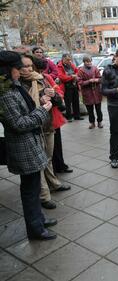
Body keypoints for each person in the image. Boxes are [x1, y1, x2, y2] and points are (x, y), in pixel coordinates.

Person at [0, 51, 57, 240]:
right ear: (8, 70)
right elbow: (18, 124)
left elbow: (26, 109)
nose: (21, 71)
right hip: (22, 147)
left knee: (32, 187)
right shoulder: (6, 93)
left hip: (30, 144)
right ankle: (35, 228)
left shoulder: (13, 86)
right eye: (18, 68)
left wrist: (40, 103)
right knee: (30, 190)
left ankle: (38, 219)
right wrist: (42, 111)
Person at [20, 55, 71, 209]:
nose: (29, 69)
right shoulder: (17, 85)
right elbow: (22, 109)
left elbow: (58, 101)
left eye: (31, 66)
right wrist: (40, 99)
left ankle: (54, 184)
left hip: (47, 124)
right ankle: (44, 195)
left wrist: (52, 95)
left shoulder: (42, 79)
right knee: (39, 162)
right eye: (25, 66)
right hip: (32, 128)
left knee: (48, 157)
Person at [78, 56, 103, 129]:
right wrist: (88, 81)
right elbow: (79, 82)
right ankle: (92, 123)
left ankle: (100, 122)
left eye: (90, 61)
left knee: (98, 109)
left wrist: (96, 80)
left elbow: (100, 78)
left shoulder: (95, 68)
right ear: (84, 62)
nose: (89, 63)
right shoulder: (81, 71)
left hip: (96, 92)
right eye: (87, 61)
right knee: (90, 110)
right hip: (87, 93)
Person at [57, 53, 83, 122]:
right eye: (67, 60)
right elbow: (62, 77)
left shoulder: (71, 64)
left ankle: (77, 116)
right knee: (68, 102)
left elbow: (77, 71)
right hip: (67, 87)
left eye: (70, 60)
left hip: (74, 85)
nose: (69, 61)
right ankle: (69, 117)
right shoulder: (59, 66)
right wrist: (72, 77)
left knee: (76, 101)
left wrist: (75, 75)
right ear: (63, 59)